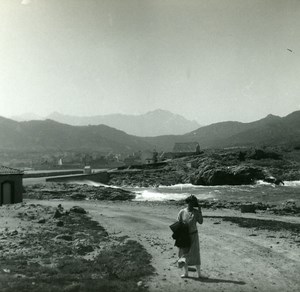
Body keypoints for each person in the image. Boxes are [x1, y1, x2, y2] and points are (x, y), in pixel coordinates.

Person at [177, 194, 203, 278]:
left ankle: (199, 274)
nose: (191, 204)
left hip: (194, 235)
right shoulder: (182, 211)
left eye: (193, 203)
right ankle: (186, 273)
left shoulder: (196, 212)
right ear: (187, 202)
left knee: (196, 254)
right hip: (185, 236)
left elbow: (201, 222)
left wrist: (199, 210)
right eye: (190, 203)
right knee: (184, 253)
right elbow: (178, 223)